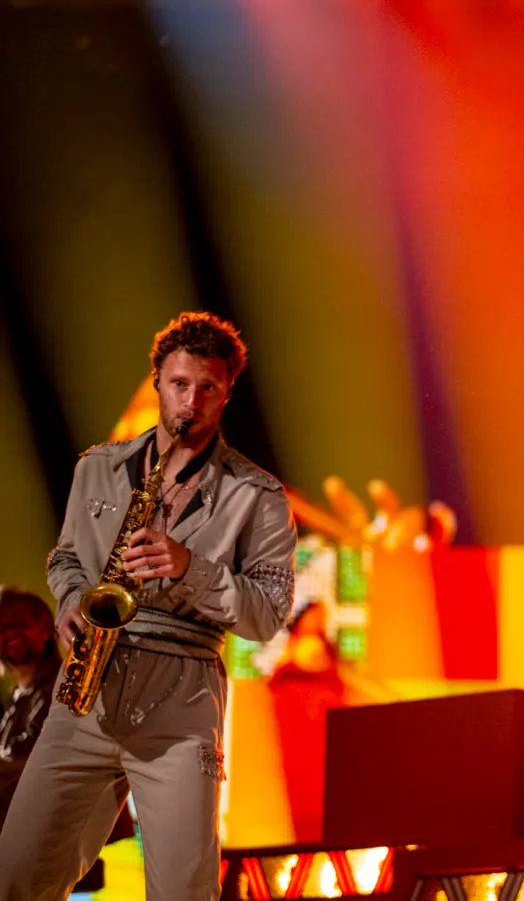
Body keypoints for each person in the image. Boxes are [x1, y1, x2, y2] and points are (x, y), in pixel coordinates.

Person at [0, 312, 298, 901]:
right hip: (84, 692)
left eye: (207, 388)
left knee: (184, 891)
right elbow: (65, 559)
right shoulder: (98, 468)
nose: (191, 402)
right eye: (179, 384)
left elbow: (267, 614)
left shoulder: (257, 494)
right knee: (16, 875)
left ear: (226, 392)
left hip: (181, 708)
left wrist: (192, 568)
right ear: (158, 381)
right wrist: (68, 602)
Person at [0, 590, 61, 821]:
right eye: (1, 627)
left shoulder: (63, 687)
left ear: (46, 628)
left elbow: (34, 759)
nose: (10, 632)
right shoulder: (18, 697)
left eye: (20, 623)